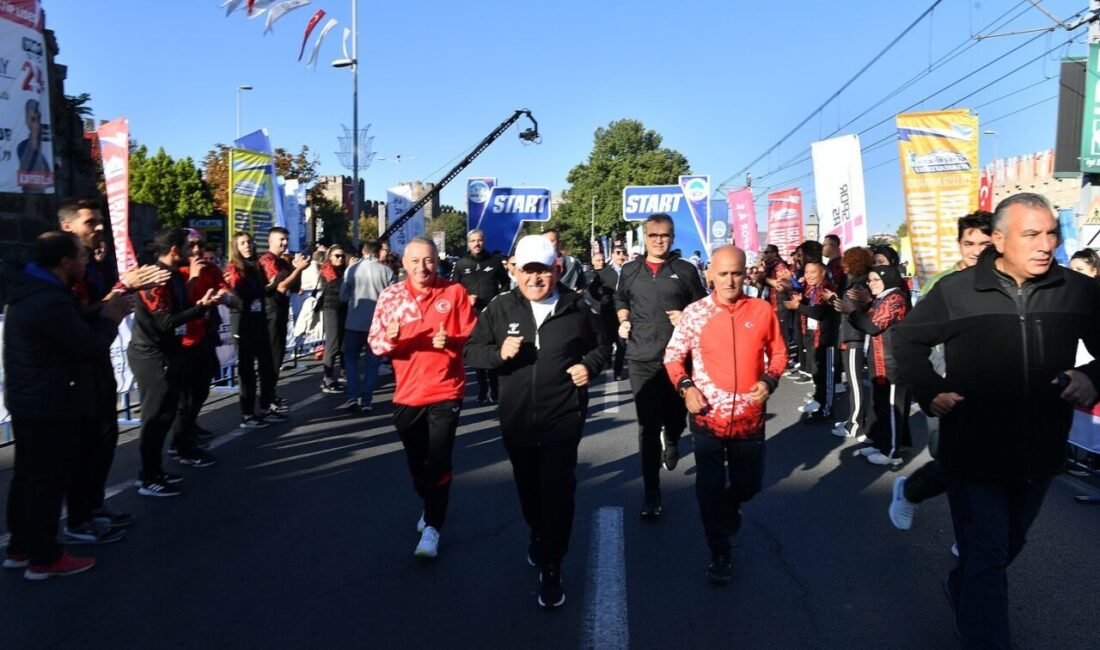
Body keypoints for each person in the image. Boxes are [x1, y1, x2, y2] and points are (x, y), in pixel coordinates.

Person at [893, 192, 1100, 649]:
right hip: (974, 450)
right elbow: (906, 342)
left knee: (1007, 547)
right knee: (985, 554)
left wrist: (1092, 377)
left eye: (1051, 233)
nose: (1045, 244)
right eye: (1032, 234)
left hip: (1043, 451)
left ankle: (963, 587)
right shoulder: (957, 291)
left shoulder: (1079, 290)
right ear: (1000, 240)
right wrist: (930, 391)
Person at [465, 234, 609, 608]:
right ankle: (538, 534)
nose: (535, 279)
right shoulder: (500, 308)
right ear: (515, 272)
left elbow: (602, 346)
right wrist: (498, 353)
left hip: (563, 416)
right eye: (528, 271)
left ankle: (552, 563)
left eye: (542, 271)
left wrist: (588, 367)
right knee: (530, 492)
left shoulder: (578, 307)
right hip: (517, 419)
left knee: (558, 492)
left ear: (556, 269)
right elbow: (472, 351)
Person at [4, 232, 131, 579]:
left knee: (29, 477)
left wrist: (98, 311)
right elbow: (86, 347)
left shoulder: (33, 291)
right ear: (65, 262)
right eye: (81, 256)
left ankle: (21, 547)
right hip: (51, 402)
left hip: (31, 399)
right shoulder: (49, 299)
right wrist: (111, 318)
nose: (87, 261)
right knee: (47, 481)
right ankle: (44, 557)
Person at [663, 246, 787, 584]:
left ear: (746, 273)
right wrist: (686, 387)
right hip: (707, 418)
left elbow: (778, 352)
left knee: (748, 486)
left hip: (749, 418)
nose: (730, 280)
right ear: (710, 275)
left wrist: (770, 379)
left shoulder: (762, 310)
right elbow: (673, 357)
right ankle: (719, 549)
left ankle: (733, 503)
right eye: (723, 274)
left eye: (736, 273)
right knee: (709, 488)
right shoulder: (695, 313)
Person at [58, 199, 169, 540]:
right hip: (75, 369)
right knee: (83, 445)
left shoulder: (95, 261)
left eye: (101, 222)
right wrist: (122, 290)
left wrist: (125, 290)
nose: (100, 228)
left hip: (98, 360)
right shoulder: (60, 267)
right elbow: (75, 315)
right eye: (91, 223)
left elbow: (102, 303)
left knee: (106, 436)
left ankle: (94, 505)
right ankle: (77, 519)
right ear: (68, 229)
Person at [368, 236, 477, 559]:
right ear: (404, 264)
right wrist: (390, 339)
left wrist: (452, 340)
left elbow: (473, 338)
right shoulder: (391, 297)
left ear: (437, 261)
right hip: (407, 394)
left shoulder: (454, 293)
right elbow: (375, 345)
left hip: (446, 390)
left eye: (428, 260)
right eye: (415, 261)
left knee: (439, 460)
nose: (422, 267)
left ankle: (432, 527)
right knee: (418, 464)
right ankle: (429, 503)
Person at [888, 211, 993, 529]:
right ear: (959, 245)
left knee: (986, 462)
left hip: (993, 379)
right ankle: (911, 491)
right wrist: (935, 379)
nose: (976, 250)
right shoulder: (943, 284)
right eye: (969, 243)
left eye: (984, 243)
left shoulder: (1008, 281)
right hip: (946, 372)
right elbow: (912, 337)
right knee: (952, 459)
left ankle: (974, 539)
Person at [615, 213, 707, 518]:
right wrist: (623, 319)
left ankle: (673, 437)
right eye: (653, 235)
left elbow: (704, 308)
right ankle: (651, 492)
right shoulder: (629, 270)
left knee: (675, 417)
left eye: (664, 235)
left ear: (672, 237)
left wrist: (687, 318)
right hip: (641, 357)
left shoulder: (684, 270)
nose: (658, 240)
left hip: (677, 358)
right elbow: (620, 300)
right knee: (647, 425)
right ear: (645, 236)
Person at [128, 229, 222, 497]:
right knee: (155, 417)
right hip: (151, 354)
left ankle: (156, 470)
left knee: (170, 411)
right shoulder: (154, 276)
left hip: (170, 350)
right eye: (187, 246)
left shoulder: (173, 276)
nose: (194, 252)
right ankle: (148, 477)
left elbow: (178, 310)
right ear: (173, 249)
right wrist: (199, 308)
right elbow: (166, 321)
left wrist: (201, 303)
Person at [169, 229, 230, 468]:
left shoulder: (209, 268)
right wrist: (193, 277)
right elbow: (179, 306)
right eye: (191, 245)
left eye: (200, 245)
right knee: (183, 397)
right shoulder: (177, 272)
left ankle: (190, 427)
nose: (196, 250)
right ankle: (179, 444)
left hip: (204, 336)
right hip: (182, 342)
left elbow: (223, 286)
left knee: (202, 388)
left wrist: (226, 295)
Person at [839, 265, 911, 466]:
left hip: (892, 364)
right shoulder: (882, 298)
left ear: (887, 279)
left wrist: (851, 311)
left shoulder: (895, 298)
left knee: (891, 408)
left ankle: (892, 453)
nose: (870, 284)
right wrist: (864, 305)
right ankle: (882, 443)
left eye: (875, 280)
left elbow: (872, 326)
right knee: (880, 407)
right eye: (869, 280)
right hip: (879, 362)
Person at [225, 231, 286, 429]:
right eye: (242, 243)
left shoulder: (257, 266)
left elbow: (265, 291)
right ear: (236, 246)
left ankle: (265, 407)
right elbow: (237, 294)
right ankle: (247, 413)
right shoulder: (233, 267)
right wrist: (265, 288)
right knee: (247, 370)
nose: (247, 246)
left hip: (260, 319)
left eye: (249, 242)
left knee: (267, 366)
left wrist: (274, 282)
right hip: (243, 322)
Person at [452, 229, 510, 404]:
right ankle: (482, 389)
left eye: (479, 240)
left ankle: (494, 388)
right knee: (477, 353)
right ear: (468, 243)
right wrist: (466, 298)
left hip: (492, 315)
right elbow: (453, 290)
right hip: (471, 315)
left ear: (484, 242)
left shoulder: (494, 261)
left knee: (492, 351)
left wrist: (498, 299)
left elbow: (506, 282)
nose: (476, 243)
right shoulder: (462, 264)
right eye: (473, 241)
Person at [341, 239, 396, 412]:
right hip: (377, 324)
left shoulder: (352, 270)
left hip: (354, 322)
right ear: (379, 251)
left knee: (351, 360)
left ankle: (352, 396)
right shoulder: (386, 271)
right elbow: (394, 299)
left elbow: (342, 296)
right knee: (372, 364)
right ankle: (367, 400)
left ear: (363, 251)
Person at [258, 227, 311, 402]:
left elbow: (296, 287)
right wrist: (296, 269)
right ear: (270, 241)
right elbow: (280, 286)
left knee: (278, 356)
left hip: (281, 312)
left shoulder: (282, 261)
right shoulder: (267, 260)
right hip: (270, 312)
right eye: (281, 239)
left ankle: (271, 395)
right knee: (271, 358)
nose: (284, 243)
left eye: (286, 239)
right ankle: (267, 399)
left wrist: (298, 268)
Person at [784, 261, 837, 424]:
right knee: (817, 374)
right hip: (814, 337)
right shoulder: (812, 289)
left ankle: (826, 411)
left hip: (826, 339)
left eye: (813, 272)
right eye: (807, 272)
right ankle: (820, 405)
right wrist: (801, 303)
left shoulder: (827, 288)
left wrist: (798, 305)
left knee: (826, 377)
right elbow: (810, 308)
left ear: (823, 273)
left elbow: (818, 312)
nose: (809, 276)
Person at [831, 247, 873, 439]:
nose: (844, 266)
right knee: (854, 382)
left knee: (855, 384)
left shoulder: (859, 286)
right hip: (851, 336)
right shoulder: (856, 283)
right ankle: (854, 419)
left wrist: (843, 306)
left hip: (854, 337)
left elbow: (855, 314)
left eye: (847, 262)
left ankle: (855, 424)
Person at [589, 247, 628, 380]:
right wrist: (601, 298)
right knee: (608, 341)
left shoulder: (630, 271)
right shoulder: (605, 273)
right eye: (618, 253)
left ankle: (618, 371)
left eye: (623, 253)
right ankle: (607, 362)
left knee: (622, 343)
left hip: (624, 313)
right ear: (612, 255)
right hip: (609, 312)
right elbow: (592, 289)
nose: (620, 256)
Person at [318, 245, 349, 394]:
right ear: (329, 257)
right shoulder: (327, 270)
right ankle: (327, 378)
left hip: (343, 307)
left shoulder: (344, 270)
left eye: (342, 256)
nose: (340, 259)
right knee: (333, 343)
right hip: (331, 308)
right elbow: (336, 285)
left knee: (343, 342)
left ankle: (342, 373)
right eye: (337, 256)